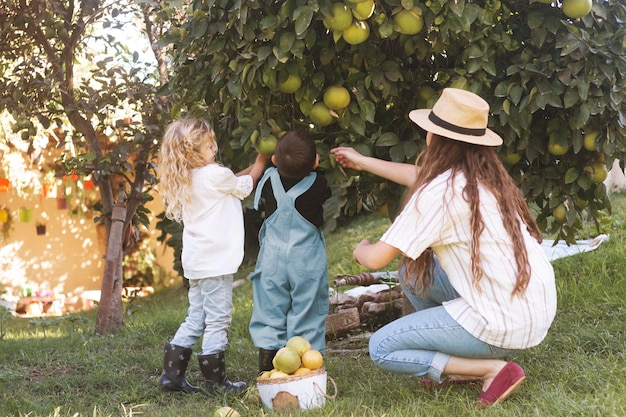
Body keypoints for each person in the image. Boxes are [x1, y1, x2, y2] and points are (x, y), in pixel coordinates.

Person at [331, 88, 557, 407]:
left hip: (502, 322)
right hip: (532, 310)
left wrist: (360, 247)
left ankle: (491, 369)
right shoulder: (483, 177)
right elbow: (417, 176)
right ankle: (457, 362)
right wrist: (363, 161)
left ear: (433, 137)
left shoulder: (438, 194)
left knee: (382, 348)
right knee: (412, 272)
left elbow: (375, 257)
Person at [157, 118, 268, 394]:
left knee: (195, 318)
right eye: (209, 145)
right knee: (218, 319)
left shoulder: (189, 178)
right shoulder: (216, 175)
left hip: (197, 262)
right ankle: (216, 383)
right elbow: (243, 186)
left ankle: (171, 377)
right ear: (193, 151)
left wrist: (251, 169)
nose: (214, 148)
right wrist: (262, 162)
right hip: (216, 263)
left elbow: (232, 181)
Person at [249, 130, 332, 373]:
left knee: (269, 309)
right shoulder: (318, 184)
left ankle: (268, 368)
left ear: (274, 159)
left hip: (271, 261)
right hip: (305, 260)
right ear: (315, 162)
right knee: (306, 310)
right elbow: (324, 191)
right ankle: (305, 370)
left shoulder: (267, 180)